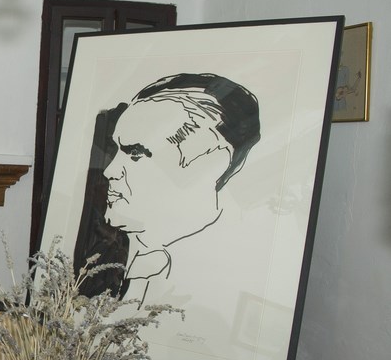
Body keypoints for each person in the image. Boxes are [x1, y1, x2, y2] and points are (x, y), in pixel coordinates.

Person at [75, 72, 260, 305]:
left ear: (210, 163)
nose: (110, 171)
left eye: (135, 154)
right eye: (118, 151)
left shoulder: (227, 275)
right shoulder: (100, 258)